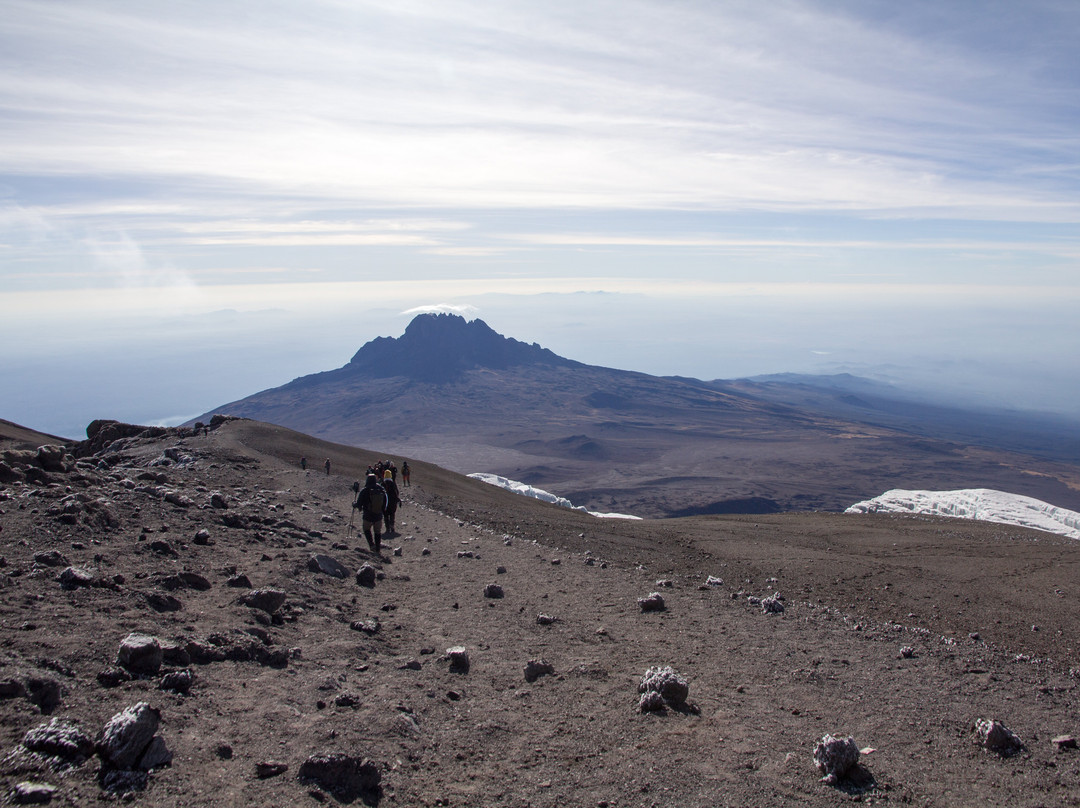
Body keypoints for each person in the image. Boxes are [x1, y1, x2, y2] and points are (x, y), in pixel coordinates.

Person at [355, 473, 387, 553]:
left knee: (366, 529)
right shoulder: (381, 489)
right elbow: (385, 502)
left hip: (368, 515)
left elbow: (359, 504)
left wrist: (354, 504)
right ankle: (378, 548)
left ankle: (372, 545)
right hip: (378, 516)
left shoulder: (365, 490)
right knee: (377, 532)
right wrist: (382, 511)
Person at [382, 468, 400, 534]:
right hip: (392, 502)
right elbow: (396, 492)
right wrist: (397, 499)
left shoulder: (382, 484)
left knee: (385, 515)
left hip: (384, 503)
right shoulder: (393, 484)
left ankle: (387, 528)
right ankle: (392, 525)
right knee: (392, 514)